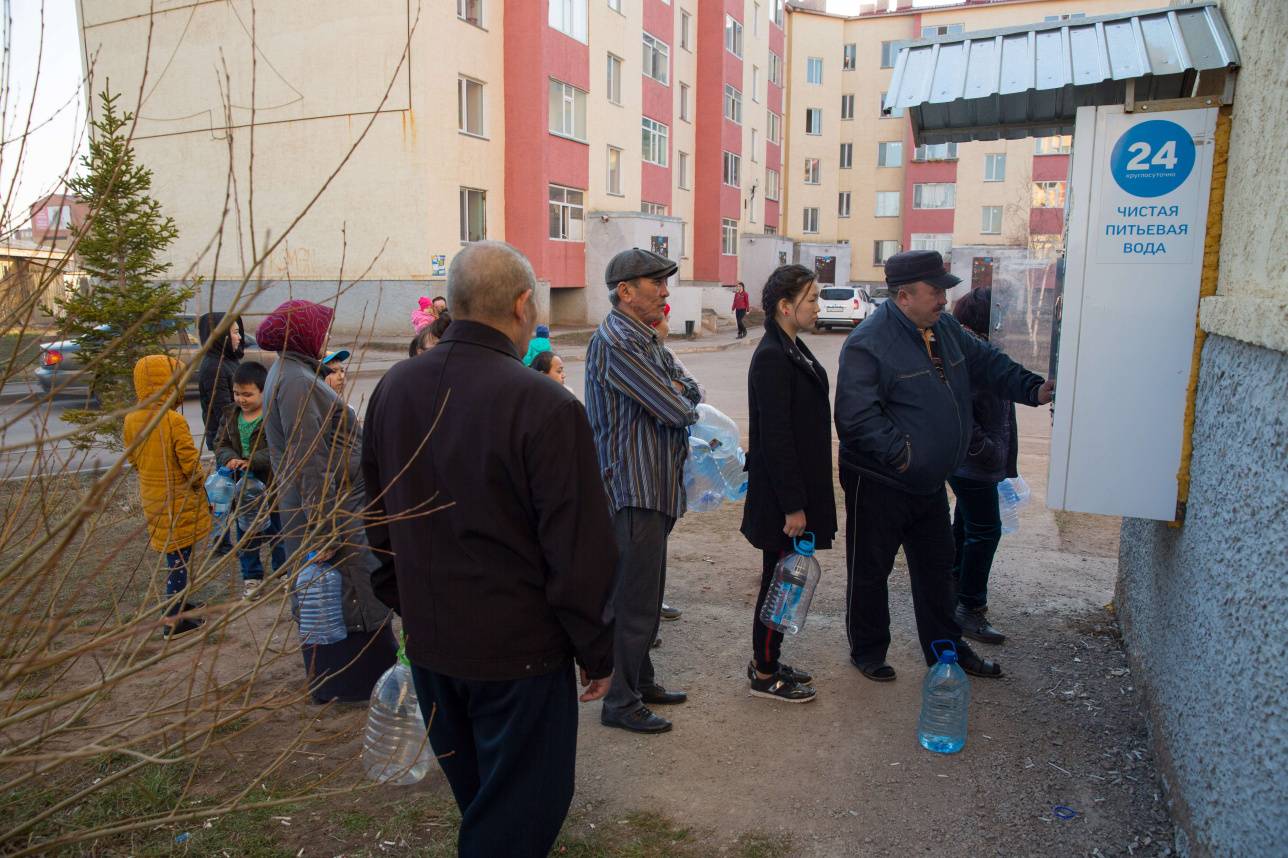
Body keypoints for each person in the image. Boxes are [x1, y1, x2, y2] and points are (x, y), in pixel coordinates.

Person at [362, 241, 617, 858]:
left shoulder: (394, 389)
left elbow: (376, 521)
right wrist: (596, 645)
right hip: (516, 657)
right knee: (517, 815)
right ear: (524, 304)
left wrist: (406, 603)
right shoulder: (544, 403)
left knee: (483, 800)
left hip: (433, 643)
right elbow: (578, 546)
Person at [834, 251, 1053, 682]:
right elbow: (856, 417)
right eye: (935, 291)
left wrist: (1034, 388)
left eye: (943, 290)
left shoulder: (944, 328)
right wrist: (905, 456)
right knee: (870, 570)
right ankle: (869, 649)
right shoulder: (868, 341)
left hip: (930, 482)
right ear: (904, 296)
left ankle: (945, 649)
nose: (943, 299)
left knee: (937, 572)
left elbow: (989, 364)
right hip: (881, 481)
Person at [255, 299, 396, 704]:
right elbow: (308, 459)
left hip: (337, 509)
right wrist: (326, 527)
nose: (327, 339)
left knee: (351, 593)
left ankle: (354, 681)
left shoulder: (294, 371)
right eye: (322, 331)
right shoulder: (296, 380)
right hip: (334, 516)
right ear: (303, 334)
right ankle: (353, 686)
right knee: (350, 595)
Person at [585, 247, 699, 734]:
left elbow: (689, 389)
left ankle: (640, 680)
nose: (665, 291)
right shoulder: (618, 340)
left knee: (646, 595)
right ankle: (621, 703)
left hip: (654, 485)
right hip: (632, 487)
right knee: (633, 601)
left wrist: (677, 392)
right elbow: (677, 409)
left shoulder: (644, 337)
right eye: (657, 283)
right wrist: (677, 395)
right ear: (626, 291)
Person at [740, 265, 836, 703]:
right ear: (786, 306)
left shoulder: (791, 348)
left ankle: (770, 659)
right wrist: (794, 506)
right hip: (783, 500)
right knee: (778, 581)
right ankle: (763, 672)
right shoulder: (772, 357)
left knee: (786, 580)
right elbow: (775, 439)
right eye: (811, 299)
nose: (817, 307)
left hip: (796, 492)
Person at [123, 354, 212, 638]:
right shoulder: (172, 420)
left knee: (175, 556)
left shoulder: (131, 419)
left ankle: (181, 605)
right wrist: (200, 483)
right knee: (179, 561)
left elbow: (133, 459)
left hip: (153, 498)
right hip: (178, 500)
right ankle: (173, 620)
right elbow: (189, 464)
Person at [947, 287, 1013, 644]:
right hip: (972, 463)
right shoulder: (972, 353)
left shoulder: (973, 347)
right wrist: (984, 450)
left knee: (967, 525)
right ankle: (970, 607)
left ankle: (955, 592)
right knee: (986, 530)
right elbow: (961, 410)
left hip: (971, 462)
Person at [214, 360, 286, 600]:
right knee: (246, 536)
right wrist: (230, 458)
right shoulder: (230, 415)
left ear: (263, 392)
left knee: (278, 533)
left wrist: (252, 461)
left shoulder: (272, 416)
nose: (241, 399)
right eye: (237, 393)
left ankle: (284, 572)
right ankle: (252, 577)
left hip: (271, 488)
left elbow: (277, 449)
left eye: (247, 394)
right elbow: (220, 444)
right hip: (242, 491)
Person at [197, 312, 245, 452]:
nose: (240, 337)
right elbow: (225, 413)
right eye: (235, 332)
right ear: (222, 336)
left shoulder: (227, 360)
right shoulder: (214, 367)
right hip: (228, 444)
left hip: (235, 440)